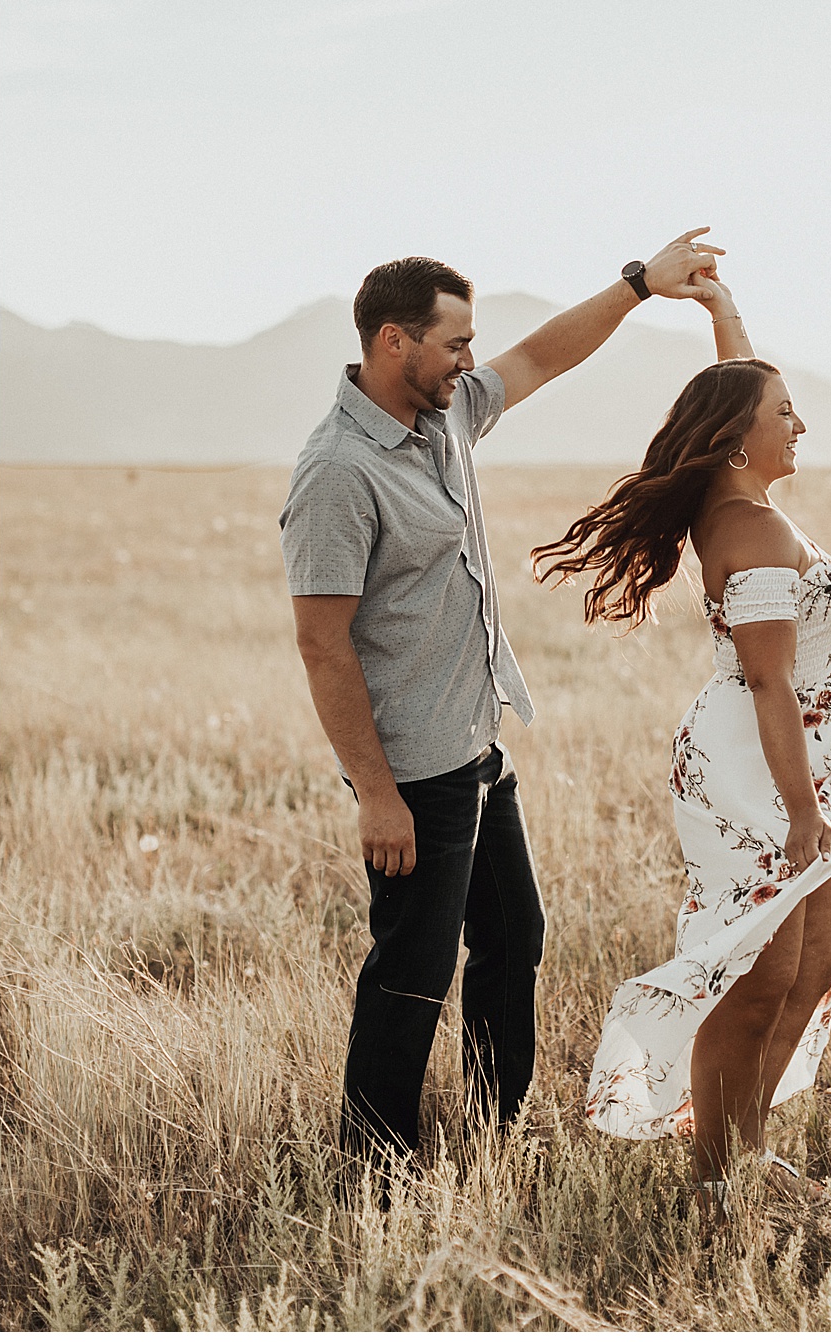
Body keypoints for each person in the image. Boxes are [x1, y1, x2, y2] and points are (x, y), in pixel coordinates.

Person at [279, 229, 722, 1182]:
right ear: (393, 342)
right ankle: (375, 1169)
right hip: (413, 775)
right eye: (454, 345)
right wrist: (375, 792)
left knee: (514, 939)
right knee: (410, 974)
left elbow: (542, 355)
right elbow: (322, 643)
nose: (471, 361)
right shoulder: (337, 474)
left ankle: (495, 1128)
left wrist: (640, 285)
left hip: (477, 752)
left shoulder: (442, 418)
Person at [532, 277, 831, 1210]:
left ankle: (744, 1152)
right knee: (759, 974)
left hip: (804, 753)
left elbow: (737, 382)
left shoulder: (740, 498)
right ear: (740, 436)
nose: (801, 424)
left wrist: (721, 309)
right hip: (762, 766)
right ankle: (718, 1180)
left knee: (818, 961)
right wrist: (804, 812)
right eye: (786, 413)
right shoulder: (753, 532)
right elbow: (769, 681)